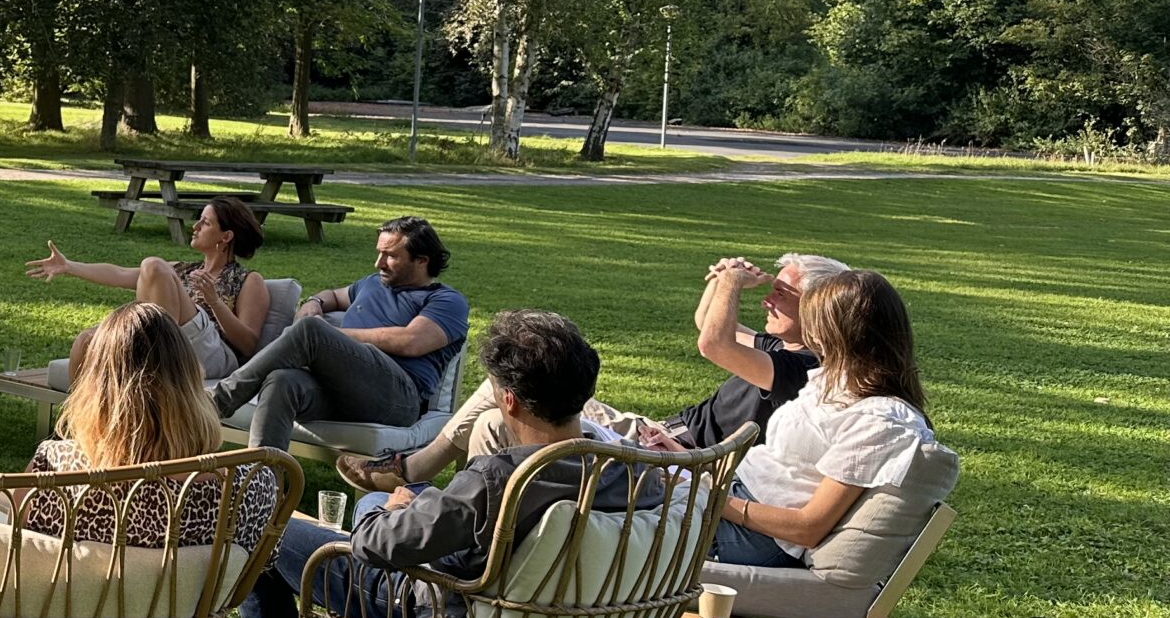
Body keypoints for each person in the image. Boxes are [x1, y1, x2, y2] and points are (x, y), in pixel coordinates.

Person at [219, 311, 657, 618]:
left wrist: (388, 513)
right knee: (390, 495)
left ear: (508, 400)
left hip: (427, 615)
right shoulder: (636, 474)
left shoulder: (500, 480)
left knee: (267, 527)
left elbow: (374, 545)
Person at [335, 251, 849, 491]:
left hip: (678, 457)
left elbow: (713, 343)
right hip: (658, 432)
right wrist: (721, 280)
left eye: (782, 293)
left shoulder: (800, 367)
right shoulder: (784, 345)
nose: (769, 300)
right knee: (506, 388)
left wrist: (735, 285)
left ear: (818, 307)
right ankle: (442, 493)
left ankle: (421, 477)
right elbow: (707, 323)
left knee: (505, 393)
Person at [710, 269, 940, 568]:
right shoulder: (836, 380)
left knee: (646, 515)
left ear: (838, 331)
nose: (809, 333)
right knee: (645, 473)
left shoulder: (880, 420)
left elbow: (807, 528)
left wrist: (710, 499)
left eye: (814, 321)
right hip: (728, 495)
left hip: (751, 534)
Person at [13, 301, 279, 552]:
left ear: (97, 390)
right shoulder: (251, 487)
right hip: (193, 589)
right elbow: (259, 568)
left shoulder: (51, 471)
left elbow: (16, 558)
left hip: (79, 588)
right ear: (191, 383)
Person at [207, 216, 469, 454]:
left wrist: (330, 335)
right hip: (343, 390)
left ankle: (217, 402)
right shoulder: (372, 283)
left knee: (311, 330)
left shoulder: (447, 300)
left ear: (422, 260)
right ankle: (263, 479)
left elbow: (411, 341)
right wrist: (314, 303)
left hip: (397, 399)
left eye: (390, 256)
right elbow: (333, 295)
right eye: (379, 253)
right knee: (282, 381)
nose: (378, 263)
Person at [25, 197, 273, 388]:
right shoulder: (183, 269)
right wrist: (69, 266)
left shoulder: (248, 280)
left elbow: (248, 345)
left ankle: (158, 359)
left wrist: (215, 302)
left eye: (205, 222)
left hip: (213, 354)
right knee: (86, 341)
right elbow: (120, 274)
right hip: (175, 339)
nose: (195, 226)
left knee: (153, 265)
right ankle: (82, 424)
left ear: (226, 236)